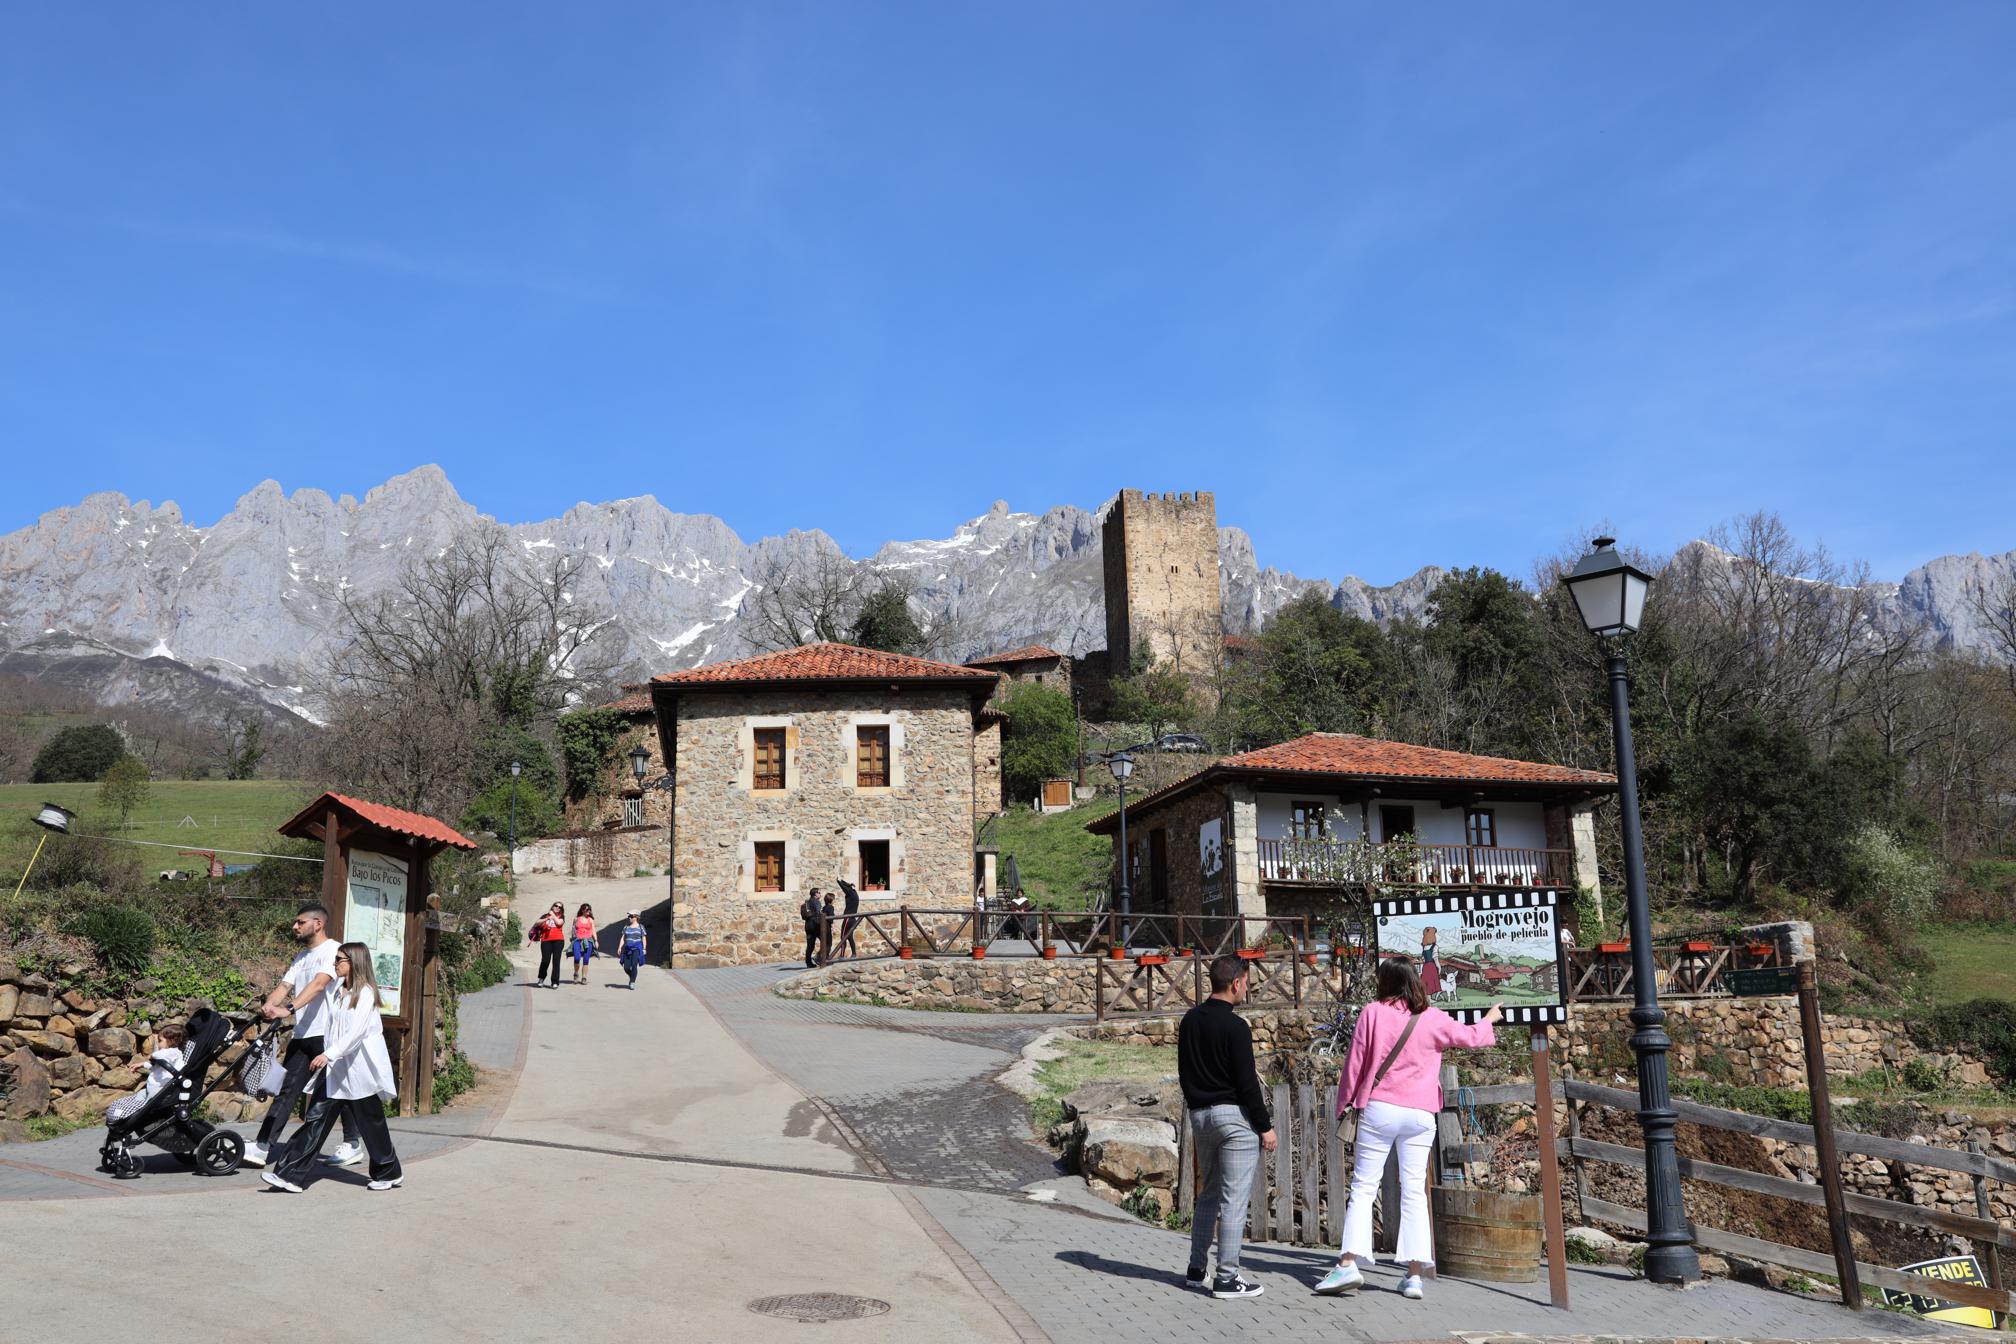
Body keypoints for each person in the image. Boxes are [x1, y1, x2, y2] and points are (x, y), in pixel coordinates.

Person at [1315, 956, 1502, 1301]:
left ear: (1385, 981)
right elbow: (1471, 1037)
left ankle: (1348, 1264)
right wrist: (1489, 1019)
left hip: (1380, 1109)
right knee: (1414, 1190)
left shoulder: (1373, 1012)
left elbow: (1354, 1064)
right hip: (1420, 1114)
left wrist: (1344, 1105)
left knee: (1364, 1186)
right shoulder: (1431, 1017)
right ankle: (1414, 1275)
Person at [261, 942, 404, 1193]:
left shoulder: (366, 994)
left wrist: (327, 1054)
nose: (335, 964)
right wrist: (329, 1057)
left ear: (354, 963)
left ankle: (389, 1172)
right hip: (336, 1072)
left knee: (372, 1125)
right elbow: (332, 1028)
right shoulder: (338, 990)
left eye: (339, 960)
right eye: (336, 959)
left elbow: (355, 1034)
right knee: (314, 1119)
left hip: (360, 1072)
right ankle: (289, 1175)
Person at [1177, 955, 1278, 1300]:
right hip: (1233, 1120)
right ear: (1236, 983)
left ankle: (1195, 1270)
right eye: (1247, 983)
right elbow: (1247, 1083)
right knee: (1234, 1201)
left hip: (1200, 1116)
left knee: (1208, 1194)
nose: (1246, 989)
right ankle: (1227, 1277)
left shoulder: (1190, 1020)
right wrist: (1264, 1127)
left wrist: (1195, 1105)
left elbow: (1184, 1071)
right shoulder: (1236, 1027)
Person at [243, 903, 362, 1170]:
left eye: (300, 922)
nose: (294, 927)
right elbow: (284, 986)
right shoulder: (301, 957)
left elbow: (320, 984)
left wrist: (287, 1009)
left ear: (317, 923)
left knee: (338, 1090)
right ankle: (263, 1146)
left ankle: (353, 1143)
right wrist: (269, 1007)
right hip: (304, 1033)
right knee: (287, 1091)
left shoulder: (334, 950)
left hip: (329, 1034)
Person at [104, 1022, 186, 1123]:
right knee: (139, 1096)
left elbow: (161, 1056)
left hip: (161, 1090)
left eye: (160, 1041)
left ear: (171, 1041)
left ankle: (132, 1117)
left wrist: (152, 1056)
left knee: (146, 1107)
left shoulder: (174, 1052)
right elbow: (157, 1066)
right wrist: (142, 1064)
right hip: (152, 1088)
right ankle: (125, 1111)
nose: (159, 1045)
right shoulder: (167, 1054)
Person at [530, 902, 566, 988]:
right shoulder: (545, 915)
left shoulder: (561, 916)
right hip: (546, 941)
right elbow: (536, 923)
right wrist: (546, 919)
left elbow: (559, 923)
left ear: (561, 909)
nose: (557, 908)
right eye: (556, 906)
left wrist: (553, 916)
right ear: (552, 906)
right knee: (545, 960)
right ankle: (541, 978)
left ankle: (555, 982)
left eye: (559, 907)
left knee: (556, 961)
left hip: (558, 941)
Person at [617, 910, 647, 989]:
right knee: (626, 967)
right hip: (627, 949)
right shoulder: (626, 927)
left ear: (636, 917)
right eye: (629, 916)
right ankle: (632, 977)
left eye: (631, 916)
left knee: (634, 965)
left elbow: (643, 938)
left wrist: (644, 948)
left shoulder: (641, 927)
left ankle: (632, 981)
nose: (629, 918)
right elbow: (623, 938)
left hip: (637, 949)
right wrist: (620, 947)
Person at [570, 903, 598, 984]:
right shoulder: (576, 919)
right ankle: (576, 973)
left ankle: (584, 977)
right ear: (582, 910)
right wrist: (572, 938)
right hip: (577, 940)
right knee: (577, 958)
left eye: (590, 909)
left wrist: (596, 940)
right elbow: (573, 930)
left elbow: (593, 931)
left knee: (586, 959)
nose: (588, 911)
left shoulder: (591, 920)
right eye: (587, 910)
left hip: (588, 941)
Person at [835, 877, 861, 959]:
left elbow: (845, 888)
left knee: (843, 936)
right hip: (853, 919)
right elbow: (847, 886)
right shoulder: (854, 893)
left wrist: (838, 881)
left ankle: (842, 955)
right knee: (849, 937)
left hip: (848, 918)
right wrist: (842, 880)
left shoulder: (850, 893)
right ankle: (854, 954)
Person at [800, 888, 825, 969]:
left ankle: (808, 963)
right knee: (826, 942)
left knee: (810, 945)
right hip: (815, 925)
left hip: (808, 925)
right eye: (819, 893)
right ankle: (818, 957)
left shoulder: (807, 902)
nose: (820, 894)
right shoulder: (816, 902)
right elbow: (819, 914)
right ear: (815, 894)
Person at [820, 891, 837, 965]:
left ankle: (824, 958)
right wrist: (833, 927)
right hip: (827, 927)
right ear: (831, 900)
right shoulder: (830, 907)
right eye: (834, 899)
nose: (834, 900)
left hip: (823, 927)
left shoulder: (824, 907)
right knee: (829, 944)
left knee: (825, 943)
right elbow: (831, 918)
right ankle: (825, 959)